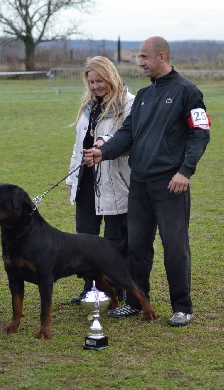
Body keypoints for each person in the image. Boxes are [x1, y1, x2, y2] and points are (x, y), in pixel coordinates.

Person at [84, 37, 210, 326]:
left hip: (170, 184)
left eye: (143, 57)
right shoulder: (142, 95)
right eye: (138, 57)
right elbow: (127, 134)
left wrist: (185, 172)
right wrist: (103, 152)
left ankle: (182, 306)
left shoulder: (187, 92)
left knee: (175, 246)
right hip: (138, 184)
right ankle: (136, 302)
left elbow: (200, 134)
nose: (139, 62)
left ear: (161, 56)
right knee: (138, 246)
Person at [66, 56, 135, 304]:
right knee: (85, 239)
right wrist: (72, 179)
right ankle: (91, 288)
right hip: (86, 180)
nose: (96, 86)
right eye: (91, 81)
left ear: (111, 76)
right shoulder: (88, 105)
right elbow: (78, 146)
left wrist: (106, 144)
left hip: (115, 181)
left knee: (115, 240)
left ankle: (119, 287)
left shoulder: (129, 103)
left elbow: (129, 139)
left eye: (100, 80)